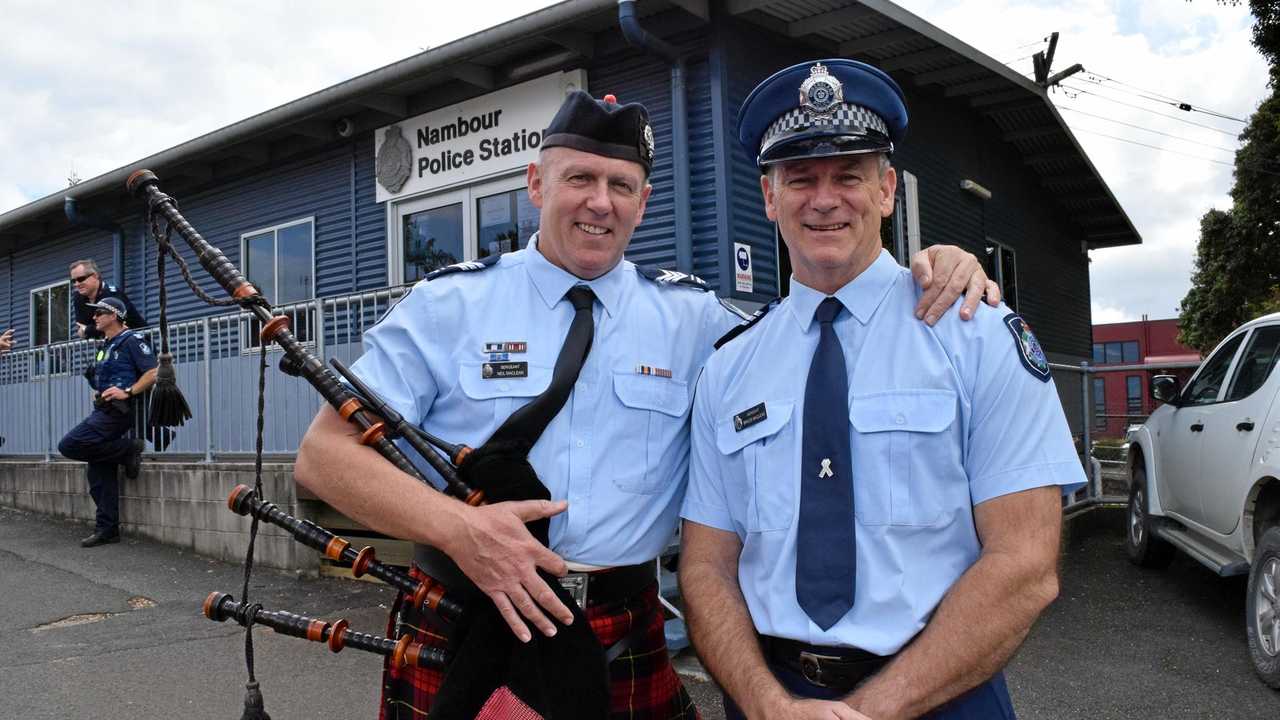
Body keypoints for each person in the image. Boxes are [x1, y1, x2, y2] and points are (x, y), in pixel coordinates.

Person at [293, 89, 994, 719]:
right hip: (465, 612)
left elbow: (818, 327)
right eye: (580, 178)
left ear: (644, 200)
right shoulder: (448, 305)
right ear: (536, 184)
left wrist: (935, 267)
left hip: (620, 625)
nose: (600, 202)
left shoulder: (697, 320)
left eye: (620, 185)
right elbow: (324, 459)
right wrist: (459, 530)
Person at [679, 59, 1086, 720]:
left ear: (889, 189)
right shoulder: (728, 367)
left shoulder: (974, 334)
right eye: (800, 178)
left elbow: (1025, 564)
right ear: (768, 198)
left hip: (942, 694)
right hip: (770, 699)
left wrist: (875, 709)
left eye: (849, 175)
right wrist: (764, 705)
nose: (825, 198)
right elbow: (706, 569)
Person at [58, 297, 155, 548]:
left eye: (99, 312)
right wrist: (99, 390)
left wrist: (129, 391)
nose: (94, 317)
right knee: (99, 472)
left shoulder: (132, 340)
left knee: (69, 444)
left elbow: (154, 372)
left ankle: (129, 449)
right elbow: (100, 374)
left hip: (119, 413)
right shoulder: (107, 344)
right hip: (104, 409)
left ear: (114, 315)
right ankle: (107, 528)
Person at [70, 259, 146, 340]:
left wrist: (88, 330)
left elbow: (112, 326)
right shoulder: (78, 297)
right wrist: (89, 330)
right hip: (110, 344)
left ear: (95, 276)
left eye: (81, 279)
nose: (77, 284)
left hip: (136, 342)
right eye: (73, 281)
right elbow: (81, 328)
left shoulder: (112, 294)